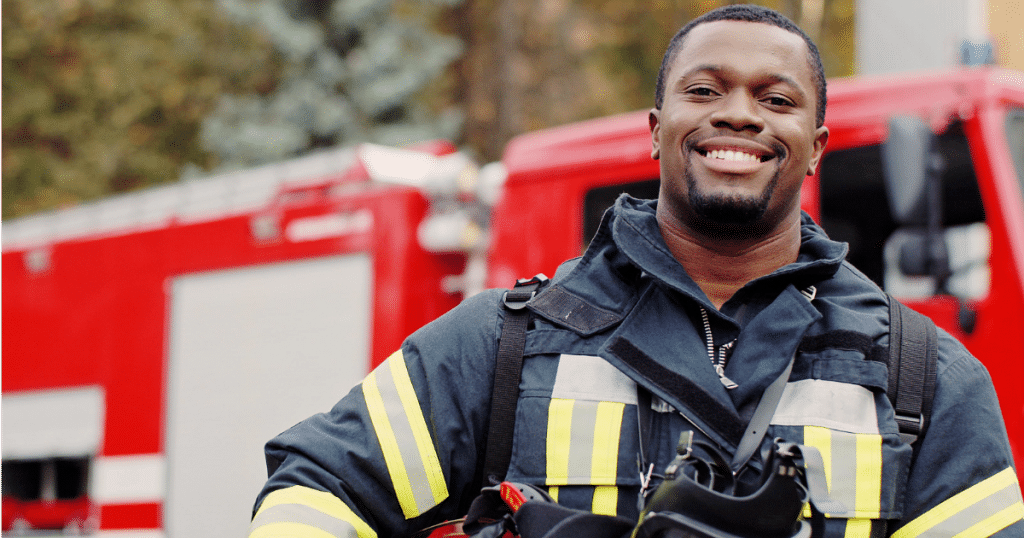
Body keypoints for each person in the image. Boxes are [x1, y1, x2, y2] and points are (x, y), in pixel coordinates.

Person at [248, 5, 1024, 538]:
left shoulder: (924, 379)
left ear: (817, 145)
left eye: (775, 98)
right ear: (657, 132)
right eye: (706, 90)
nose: (740, 114)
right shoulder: (499, 349)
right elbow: (316, 489)